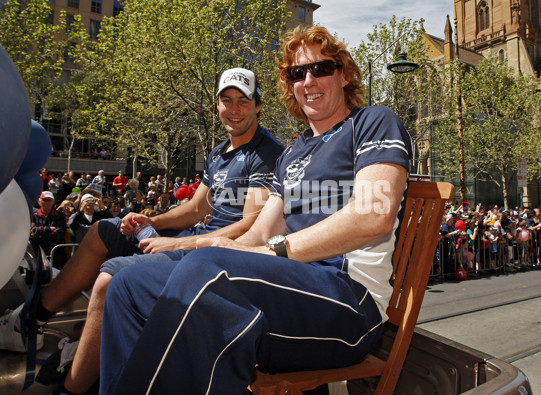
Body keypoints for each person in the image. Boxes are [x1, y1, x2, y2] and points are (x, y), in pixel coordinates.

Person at [99, 26, 412, 395]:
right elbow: (257, 234)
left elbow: (371, 215)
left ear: (344, 75)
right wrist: (201, 247)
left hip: (348, 300)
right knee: (127, 285)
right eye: (298, 73)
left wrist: (267, 253)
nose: (308, 80)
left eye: (321, 69)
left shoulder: (371, 122)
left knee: (208, 273)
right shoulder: (294, 152)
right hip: (282, 284)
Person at [0, 67, 284, 395]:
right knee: (102, 231)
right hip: (186, 241)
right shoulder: (219, 153)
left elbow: (250, 225)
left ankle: (71, 388)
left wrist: (179, 243)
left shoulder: (267, 154)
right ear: (217, 104)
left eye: (243, 102)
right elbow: (195, 209)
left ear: (258, 105)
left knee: (110, 281)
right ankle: (32, 320)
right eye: (226, 100)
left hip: (213, 257)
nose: (234, 109)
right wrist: (152, 221)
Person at [28, 191, 67, 271]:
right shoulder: (33, 216)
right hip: (37, 252)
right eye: (44, 200)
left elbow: (59, 234)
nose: (46, 202)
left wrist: (40, 232)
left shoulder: (60, 215)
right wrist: (49, 229)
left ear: (53, 201)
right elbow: (32, 232)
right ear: (39, 201)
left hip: (56, 254)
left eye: (49, 200)